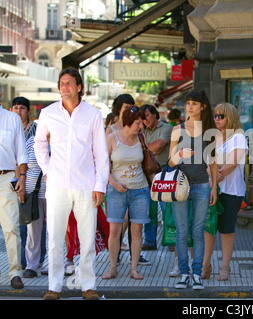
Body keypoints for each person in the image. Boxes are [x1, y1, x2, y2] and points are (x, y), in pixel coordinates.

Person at [34, 67, 110, 300]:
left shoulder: (93, 114)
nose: (65, 86)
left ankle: (87, 285)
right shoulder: (48, 113)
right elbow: (39, 144)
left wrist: (100, 185)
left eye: (69, 83)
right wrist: (46, 169)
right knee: (55, 237)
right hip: (57, 184)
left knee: (87, 238)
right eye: (62, 83)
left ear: (79, 87)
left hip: (86, 184)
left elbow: (101, 152)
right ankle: (54, 287)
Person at [168, 89, 217, 290]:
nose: (190, 106)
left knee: (198, 231)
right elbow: (170, 163)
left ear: (202, 106)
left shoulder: (209, 131)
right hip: (180, 185)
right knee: (181, 231)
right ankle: (183, 273)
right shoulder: (177, 130)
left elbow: (213, 162)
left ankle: (196, 273)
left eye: (194, 103)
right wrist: (179, 153)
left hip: (202, 185)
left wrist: (213, 186)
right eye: (188, 102)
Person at [102, 106, 150, 281]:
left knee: (137, 230)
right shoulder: (112, 138)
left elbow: (146, 163)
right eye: (138, 123)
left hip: (140, 190)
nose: (141, 126)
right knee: (114, 231)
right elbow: (103, 166)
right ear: (129, 123)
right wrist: (114, 183)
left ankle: (134, 268)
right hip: (116, 190)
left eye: (141, 123)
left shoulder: (141, 138)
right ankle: (112, 267)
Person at [202, 103, 248, 281]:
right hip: (212, 189)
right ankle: (206, 265)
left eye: (221, 116)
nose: (217, 119)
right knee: (208, 228)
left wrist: (217, 172)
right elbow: (206, 162)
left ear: (231, 117)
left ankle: (225, 266)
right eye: (215, 116)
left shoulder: (238, 136)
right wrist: (211, 172)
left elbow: (234, 161)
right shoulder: (212, 137)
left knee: (226, 230)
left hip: (231, 190)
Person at [11, 97, 47, 279]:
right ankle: (32, 265)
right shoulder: (31, 140)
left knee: (57, 229)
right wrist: (21, 185)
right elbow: (21, 163)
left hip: (56, 190)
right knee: (32, 229)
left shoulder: (60, 142)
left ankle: (60, 262)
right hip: (33, 190)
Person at [0, 85, 28, 289]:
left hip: (6, 177)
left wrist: (23, 177)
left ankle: (15, 272)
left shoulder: (12, 119)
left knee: (11, 227)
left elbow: (21, 152)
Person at [141, 104, 173, 250]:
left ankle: (171, 240)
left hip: (163, 171)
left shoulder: (166, 128)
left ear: (155, 114)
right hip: (146, 173)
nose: (144, 119)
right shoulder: (140, 130)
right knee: (149, 208)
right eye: (142, 117)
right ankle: (149, 241)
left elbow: (158, 146)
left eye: (147, 115)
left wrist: (142, 146)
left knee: (166, 207)